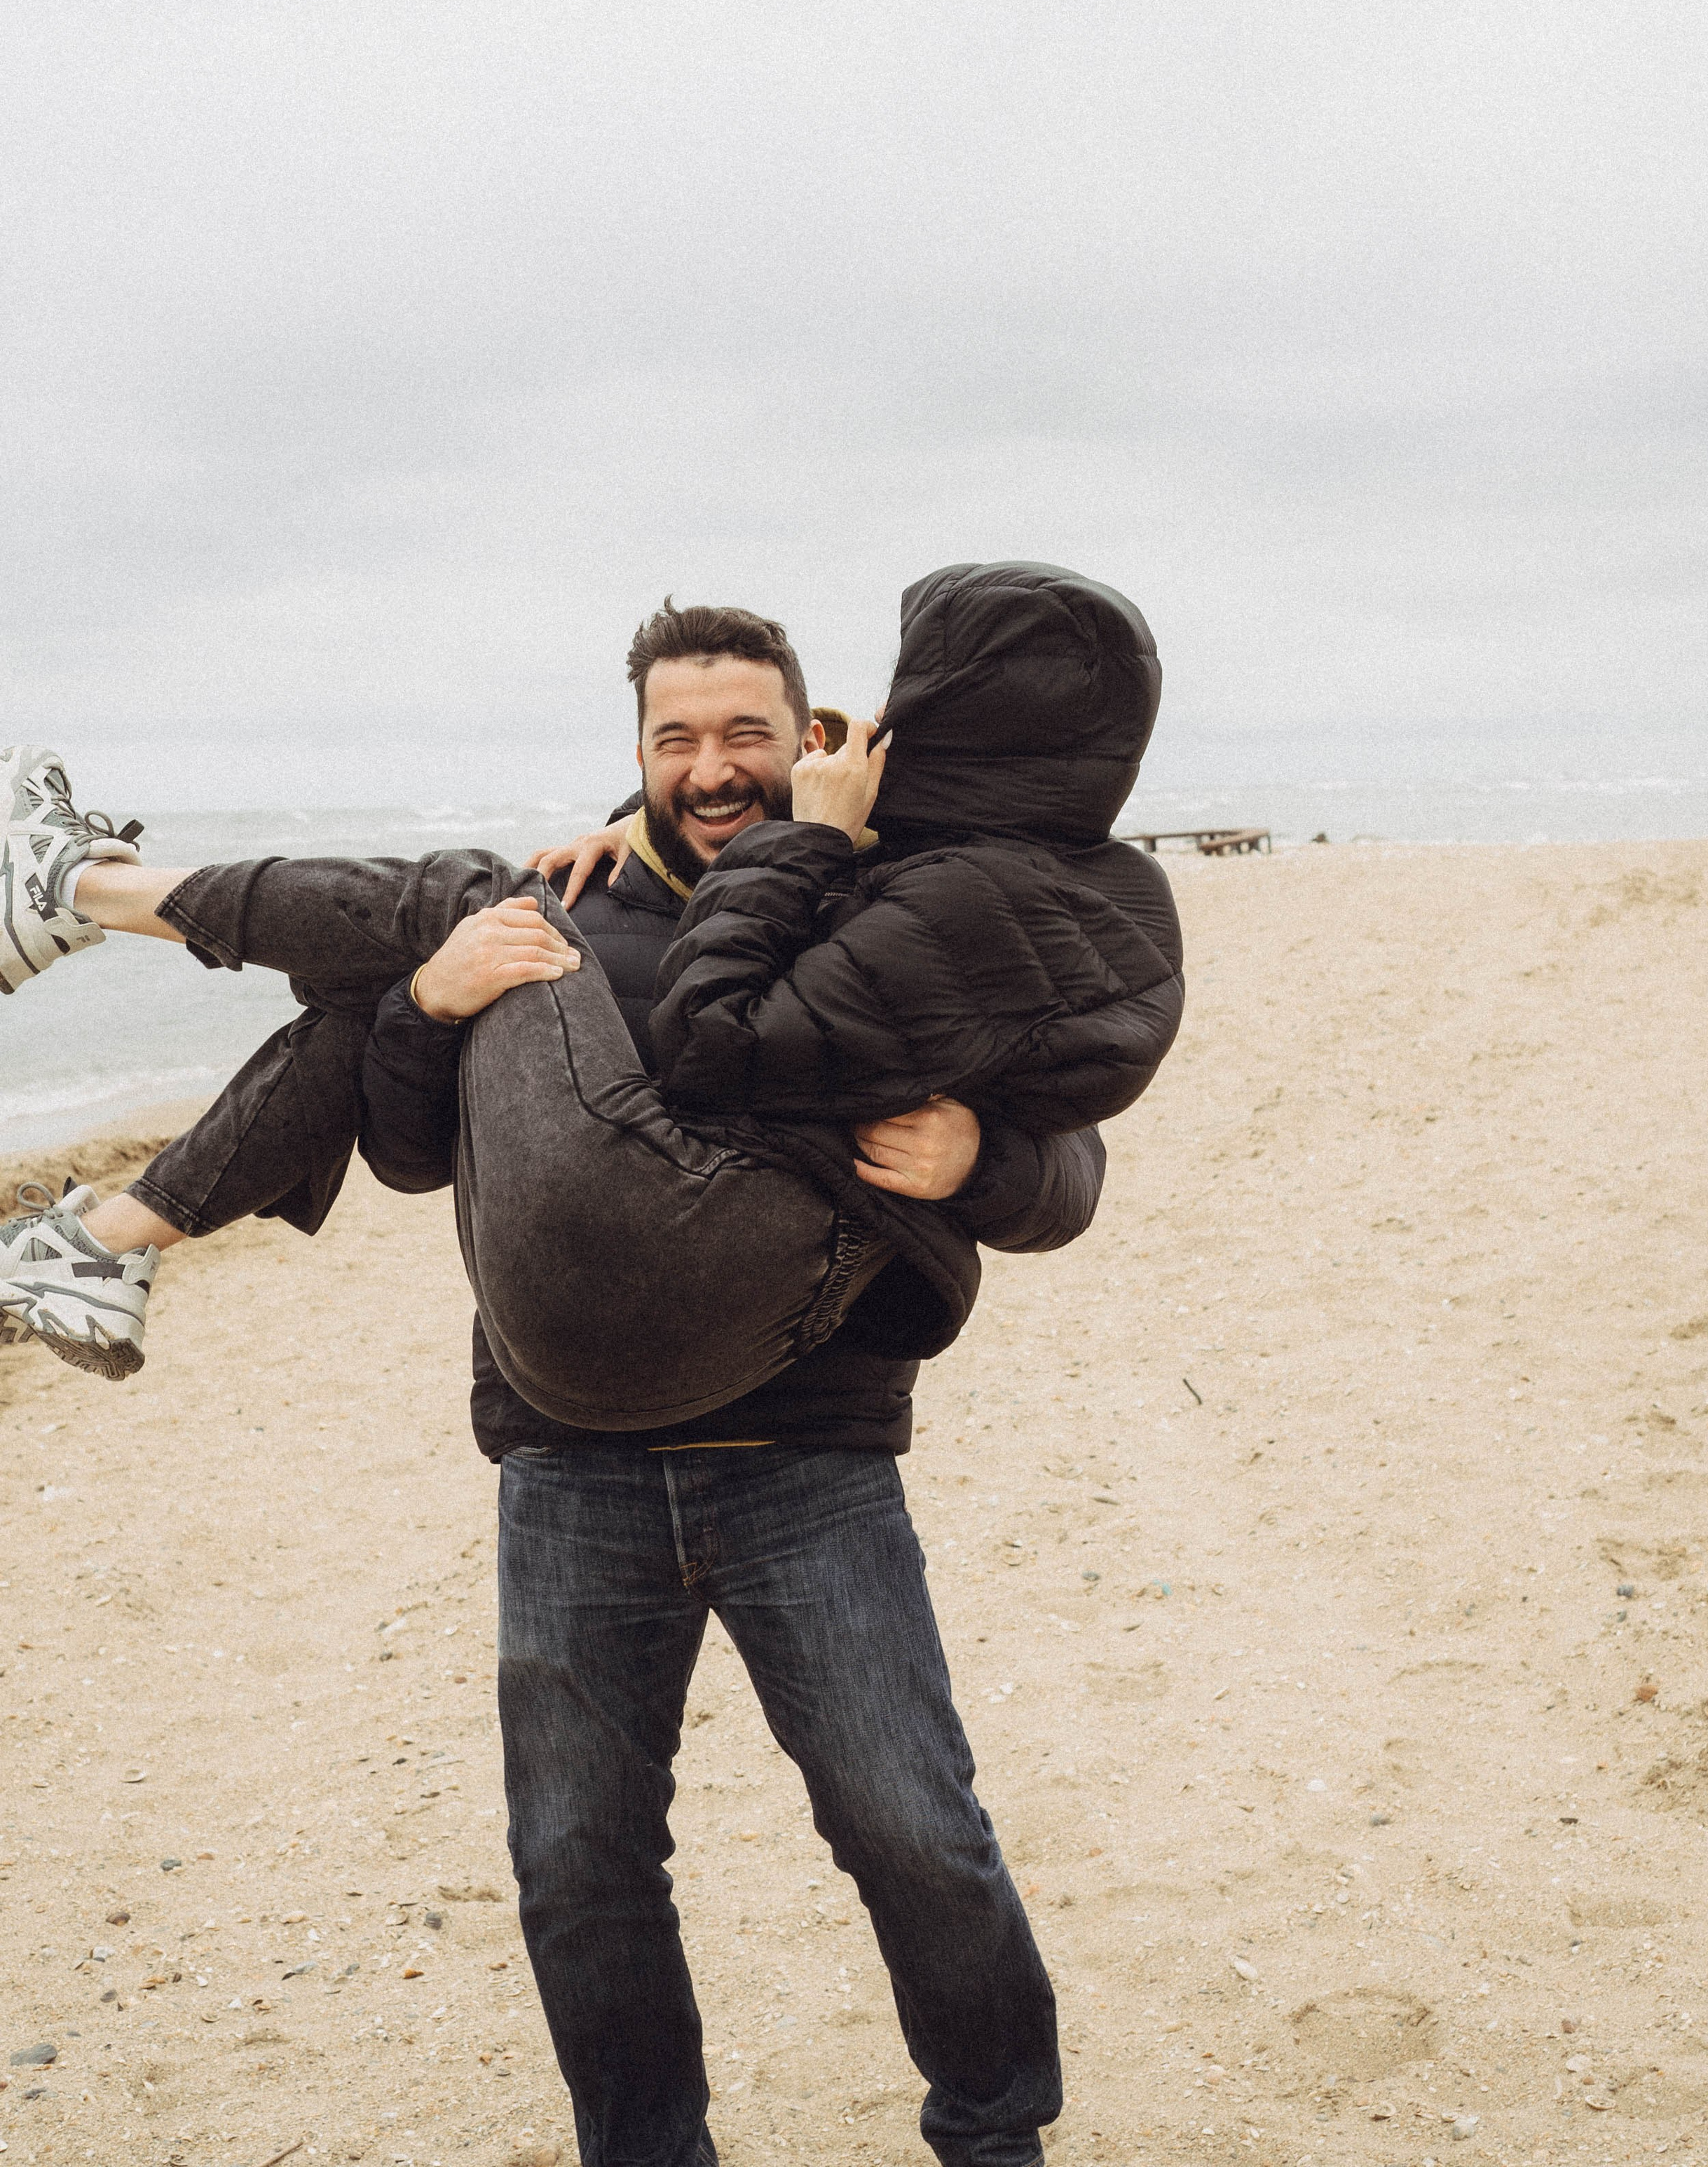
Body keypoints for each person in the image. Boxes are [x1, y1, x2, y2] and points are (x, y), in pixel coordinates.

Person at [0, 568, 1181, 2167]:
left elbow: (1069, 1173)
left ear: (818, 738)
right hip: (570, 1469)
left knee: (914, 1832)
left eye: (746, 733)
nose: (710, 767)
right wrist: (426, 1003)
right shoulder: (572, 902)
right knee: (578, 1862)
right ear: (637, 748)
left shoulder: (886, 901)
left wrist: (978, 1160)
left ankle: (995, 2138)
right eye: (675, 736)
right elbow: (418, 1155)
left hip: (810, 1462)